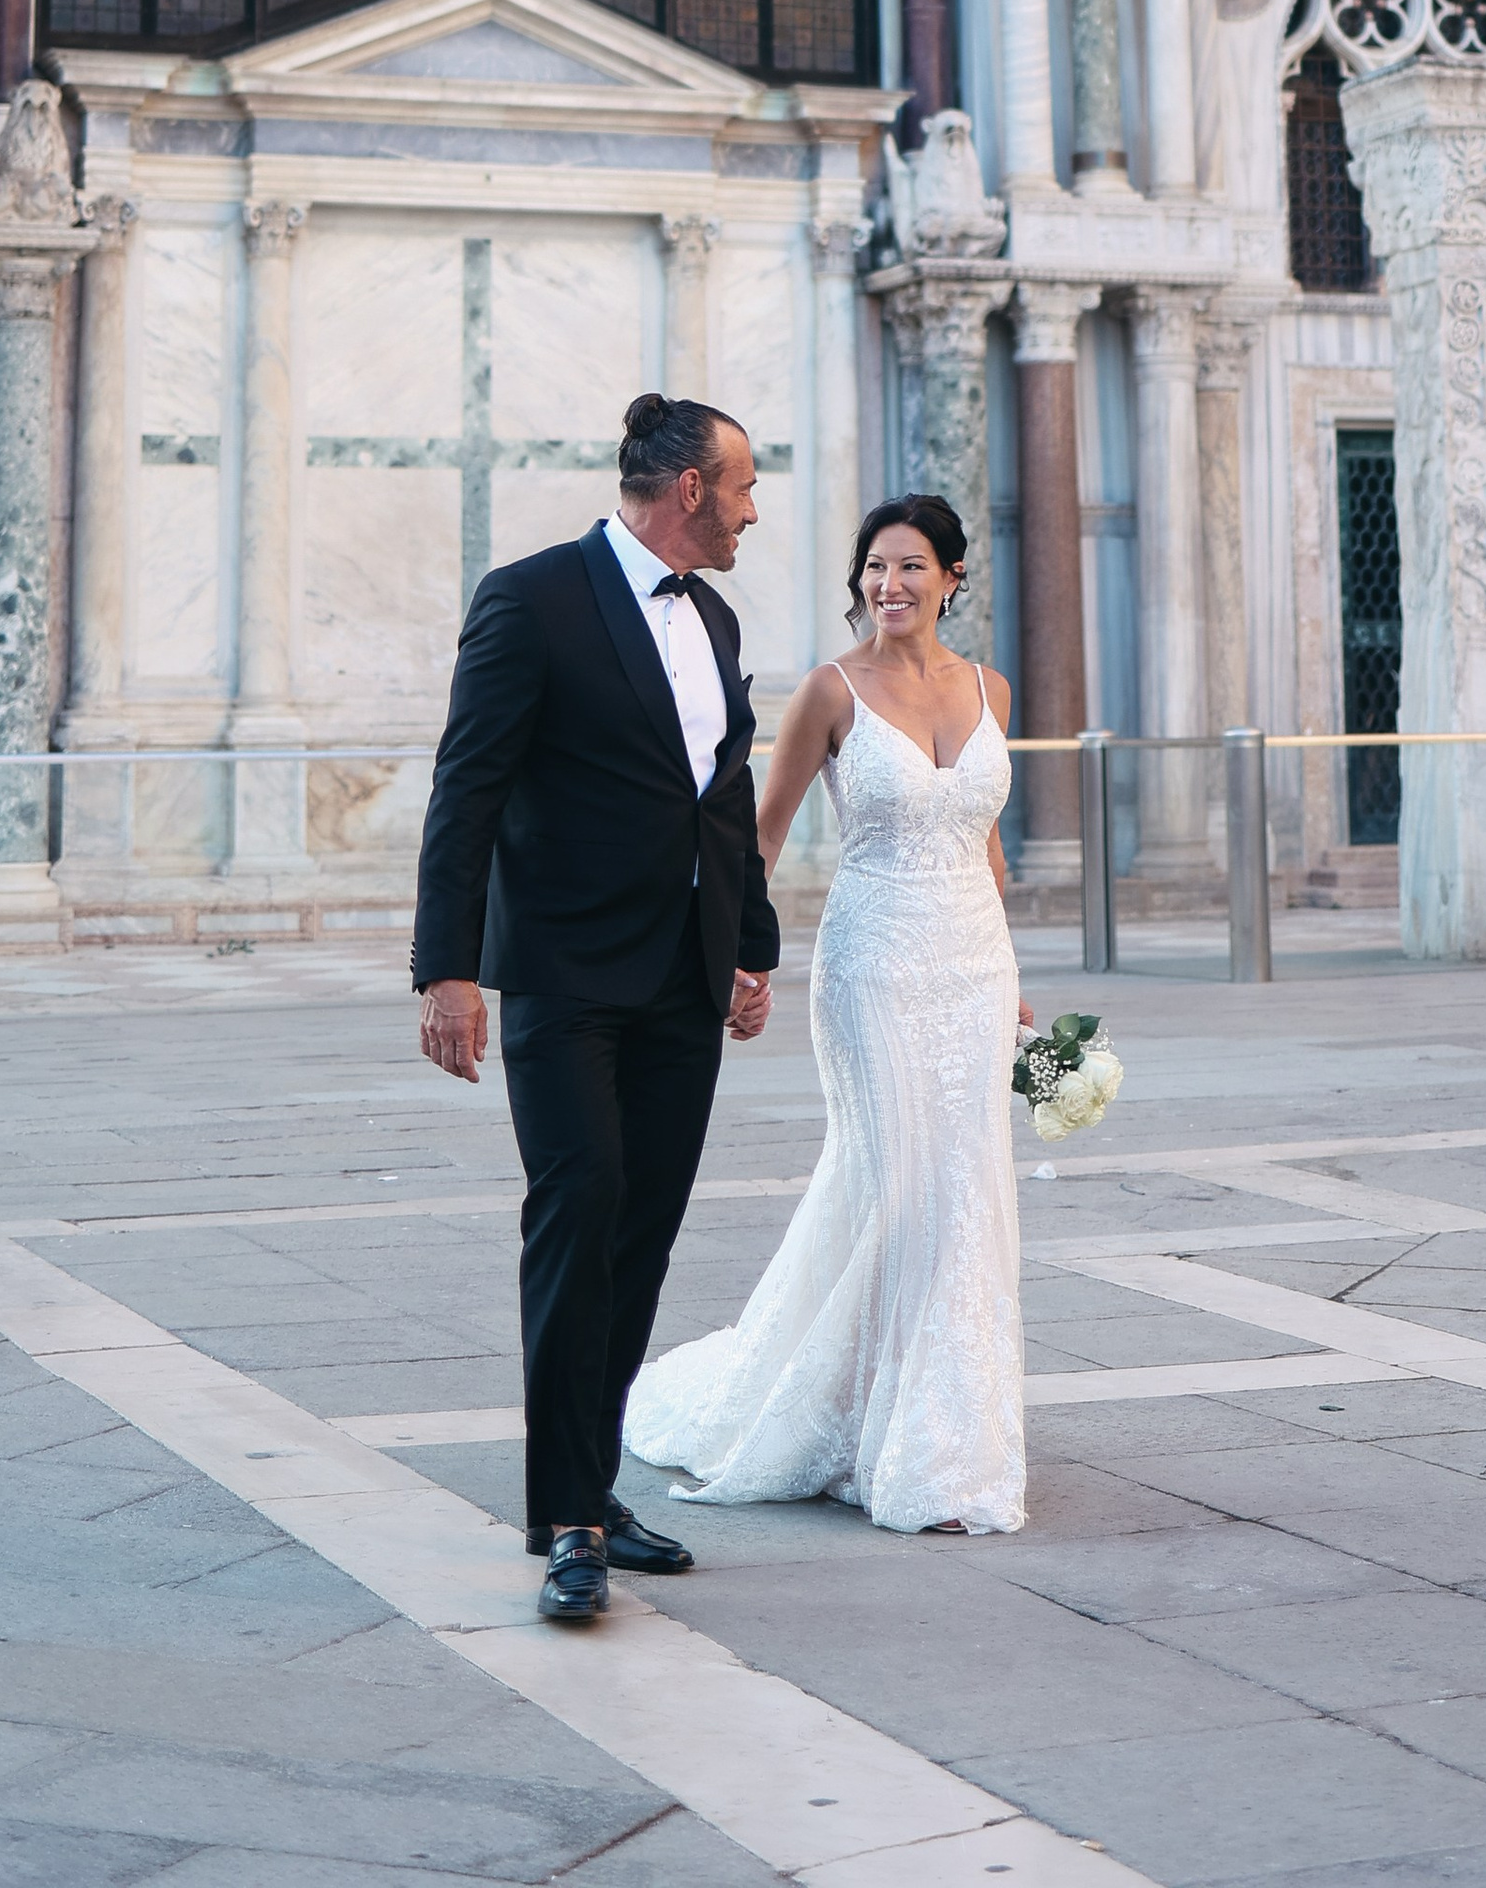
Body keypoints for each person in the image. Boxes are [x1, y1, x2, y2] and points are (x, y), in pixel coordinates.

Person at [411, 394, 781, 1626]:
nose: (750, 509)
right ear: (686, 488)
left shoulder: (715, 618)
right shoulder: (531, 597)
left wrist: (752, 948)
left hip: (682, 975)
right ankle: (568, 1518)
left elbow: (719, 800)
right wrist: (445, 968)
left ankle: (592, 1483)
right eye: (740, 486)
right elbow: (467, 788)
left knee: (641, 1237)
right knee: (576, 1221)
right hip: (565, 977)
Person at [624, 495, 1031, 1537]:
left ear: (950, 578)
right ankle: (873, 1424)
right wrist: (733, 961)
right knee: (897, 1183)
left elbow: (984, 842)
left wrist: (1013, 979)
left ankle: (938, 1431)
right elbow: (759, 840)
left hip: (971, 965)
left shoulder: (992, 688)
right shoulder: (828, 690)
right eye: (873, 569)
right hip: (872, 965)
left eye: (908, 568)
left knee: (961, 1194)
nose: (886, 586)